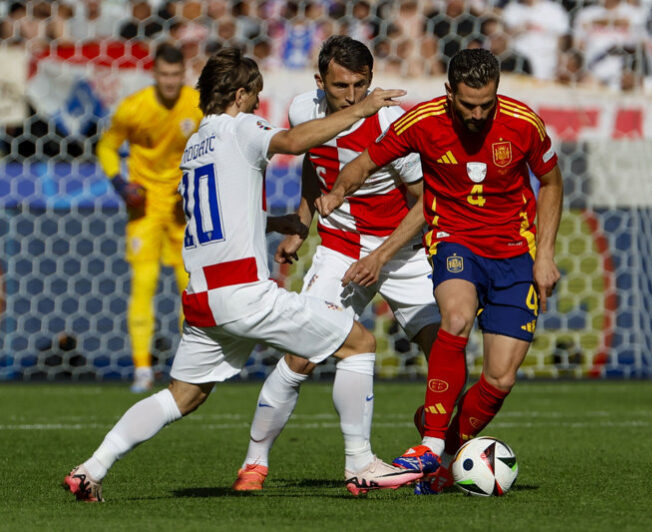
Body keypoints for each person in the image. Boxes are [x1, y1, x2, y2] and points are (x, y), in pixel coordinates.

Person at [62, 47, 421, 502]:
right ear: (238, 94)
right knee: (359, 343)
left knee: (182, 397)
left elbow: (207, 213)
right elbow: (293, 143)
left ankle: (91, 468)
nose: (257, 105)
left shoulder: (194, 143)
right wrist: (366, 108)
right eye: (254, 96)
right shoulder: (241, 127)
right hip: (244, 293)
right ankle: (361, 463)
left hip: (202, 296)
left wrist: (274, 223)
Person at [317, 48, 564, 494]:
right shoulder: (422, 121)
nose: (477, 113)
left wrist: (544, 254)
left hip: (513, 252)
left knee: (500, 378)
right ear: (449, 93)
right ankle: (430, 446)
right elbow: (363, 163)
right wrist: (337, 193)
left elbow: (551, 182)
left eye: (486, 104)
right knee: (455, 318)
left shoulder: (524, 123)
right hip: (454, 240)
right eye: (468, 104)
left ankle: (447, 449)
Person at [231, 35, 440, 492]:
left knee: (445, 352)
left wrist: (382, 255)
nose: (352, 96)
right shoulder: (303, 110)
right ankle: (254, 463)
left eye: (360, 85)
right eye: (340, 86)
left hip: (400, 251)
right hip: (341, 248)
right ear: (319, 81)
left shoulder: (390, 122)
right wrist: (301, 224)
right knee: (301, 355)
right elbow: (315, 164)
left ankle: (437, 453)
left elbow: (426, 201)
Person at [96, 42, 202, 393]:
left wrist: (190, 189)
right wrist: (120, 184)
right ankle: (142, 368)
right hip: (143, 205)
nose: (170, 82)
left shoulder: (196, 105)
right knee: (143, 283)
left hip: (180, 206)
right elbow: (107, 146)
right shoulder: (134, 107)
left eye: (175, 75)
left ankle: (188, 366)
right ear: (154, 74)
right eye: (164, 75)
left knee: (188, 285)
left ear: (183, 74)